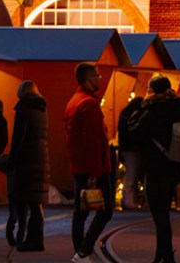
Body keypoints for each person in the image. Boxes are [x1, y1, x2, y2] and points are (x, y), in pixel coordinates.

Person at [65, 63, 113, 262]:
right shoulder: (90, 104)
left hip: (78, 165)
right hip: (93, 167)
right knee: (105, 211)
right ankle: (83, 250)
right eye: (96, 76)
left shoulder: (74, 102)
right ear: (88, 78)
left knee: (81, 211)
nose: (99, 79)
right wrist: (96, 171)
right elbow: (93, 140)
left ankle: (80, 250)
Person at [134, 75, 180, 263]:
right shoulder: (179, 106)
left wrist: (143, 104)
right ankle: (162, 254)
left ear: (153, 91)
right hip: (173, 164)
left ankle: (166, 256)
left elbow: (135, 131)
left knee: (159, 215)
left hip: (155, 165)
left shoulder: (152, 109)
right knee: (164, 214)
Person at [6, 79, 49, 252]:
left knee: (29, 201)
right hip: (41, 157)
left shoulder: (23, 109)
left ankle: (34, 240)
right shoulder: (42, 108)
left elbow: (18, 138)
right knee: (36, 201)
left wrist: (12, 161)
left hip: (27, 160)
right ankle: (35, 238)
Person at [117, 92, 149, 210]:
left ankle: (128, 200)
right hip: (133, 149)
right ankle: (129, 201)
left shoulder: (124, 116)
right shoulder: (134, 118)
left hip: (126, 148)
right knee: (132, 176)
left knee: (130, 176)